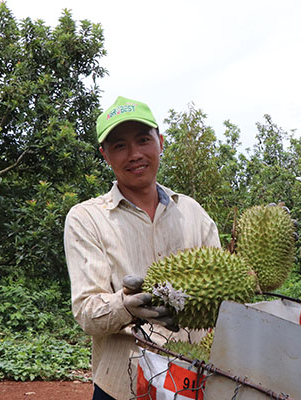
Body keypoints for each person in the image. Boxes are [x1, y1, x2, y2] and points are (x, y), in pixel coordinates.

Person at [64, 96, 220, 399]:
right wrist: (125, 306)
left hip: (194, 380)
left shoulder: (193, 212)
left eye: (143, 140)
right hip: (123, 385)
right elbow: (86, 312)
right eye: (120, 145)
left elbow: (222, 296)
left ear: (160, 142)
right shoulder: (86, 218)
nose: (134, 154)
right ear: (105, 155)